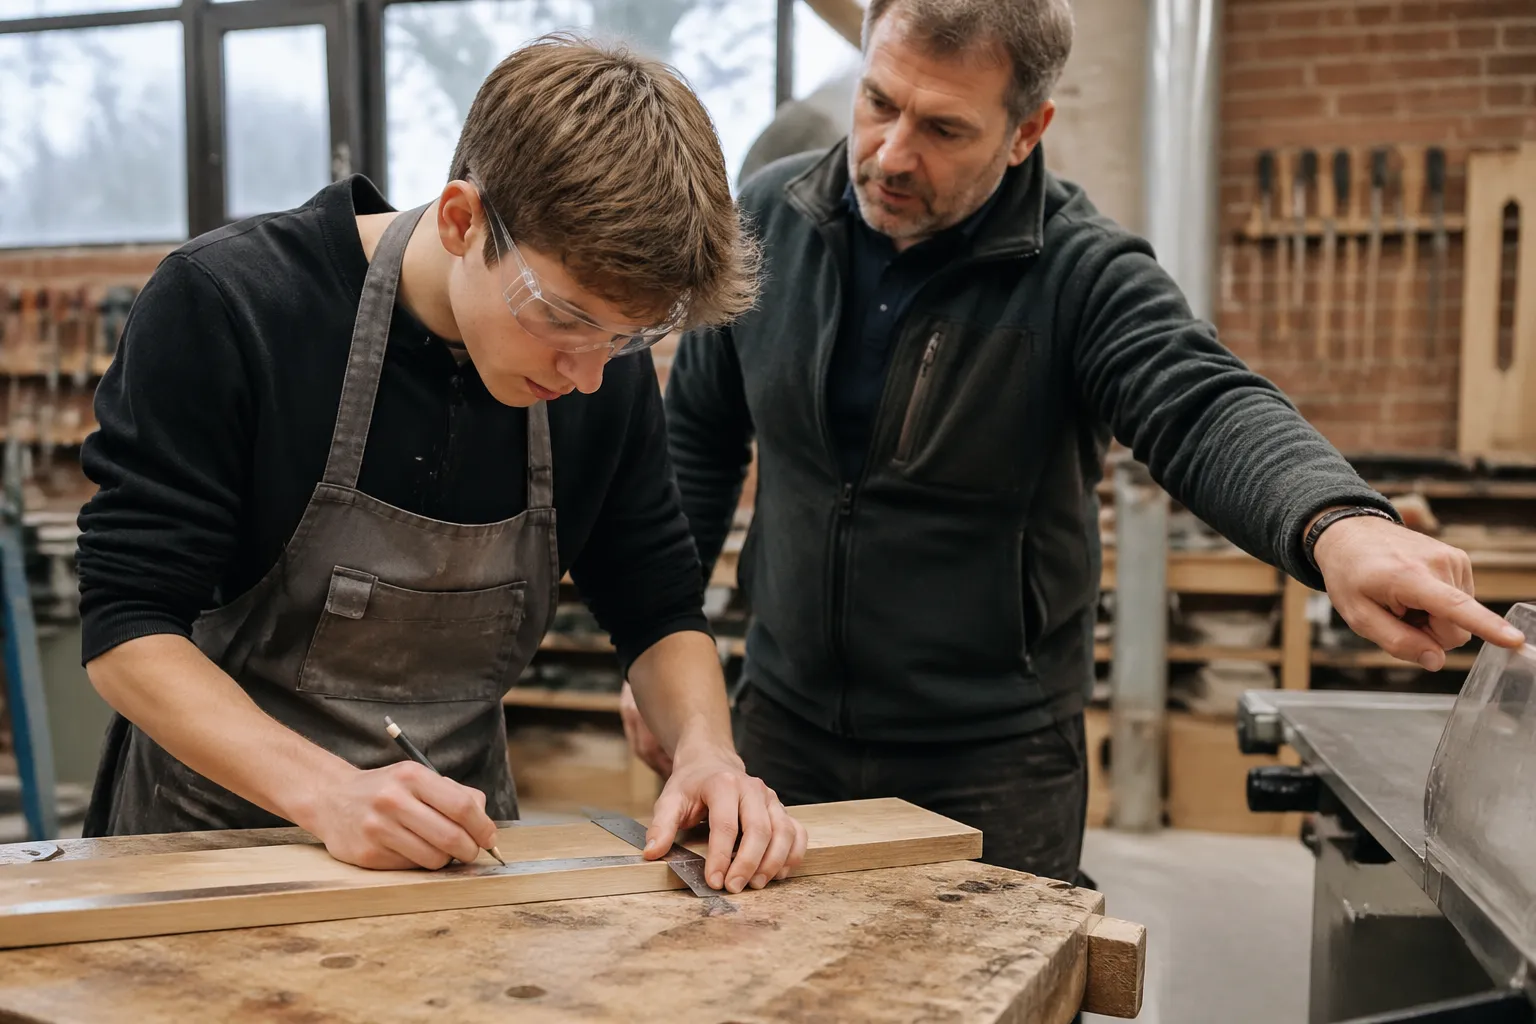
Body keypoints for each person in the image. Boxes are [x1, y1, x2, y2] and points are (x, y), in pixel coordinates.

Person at [620, 0, 1527, 885]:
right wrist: (665, 650)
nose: (892, 155)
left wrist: (1339, 525)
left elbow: (1198, 401)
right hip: (781, 722)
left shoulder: (1079, 271)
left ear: (1026, 130)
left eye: (944, 128)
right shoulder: (770, 217)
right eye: (880, 103)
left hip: (992, 755)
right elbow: (698, 442)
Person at [76, 34, 806, 895]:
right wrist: (329, 795)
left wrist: (708, 754)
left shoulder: (600, 374)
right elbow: (127, 626)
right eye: (563, 319)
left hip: (457, 870)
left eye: (627, 338)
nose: (586, 375)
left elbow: (657, 606)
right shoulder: (234, 309)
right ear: (462, 220)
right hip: (212, 862)